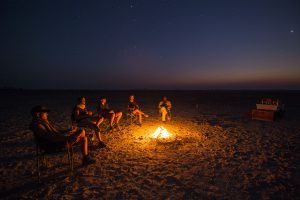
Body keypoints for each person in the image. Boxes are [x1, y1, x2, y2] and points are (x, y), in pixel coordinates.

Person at [29, 105, 95, 166]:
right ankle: (86, 158)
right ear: (38, 114)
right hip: (55, 146)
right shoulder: (38, 125)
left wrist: (67, 131)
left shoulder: (43, 123)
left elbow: (55, 132)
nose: (47, 114)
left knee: (84, 137)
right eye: (45, 112)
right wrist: (67, 137)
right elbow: (52, 137)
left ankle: (85, 158)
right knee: (81, 132)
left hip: (57, 142)